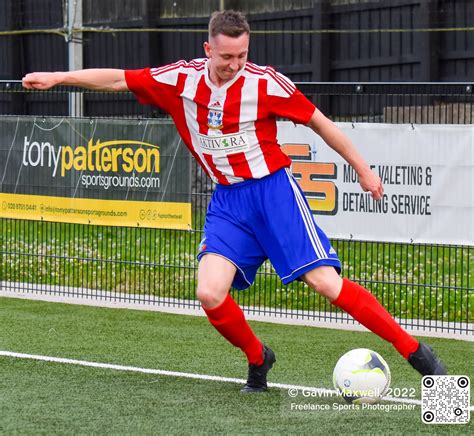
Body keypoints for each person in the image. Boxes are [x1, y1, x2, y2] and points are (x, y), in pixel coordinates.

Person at [23, 10, 446, 393]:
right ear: (208, 49)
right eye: (226, 56)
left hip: (274, 193)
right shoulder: (181, 80)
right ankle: (259, 358)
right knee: (209, 292)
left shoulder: (265, 83)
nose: (235, 64)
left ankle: (420, 356)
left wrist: (363, 169)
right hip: (229, 202)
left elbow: (319, 122)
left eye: (242, 54)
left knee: (325, 284)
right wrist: (60, 78)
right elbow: (118, 78)